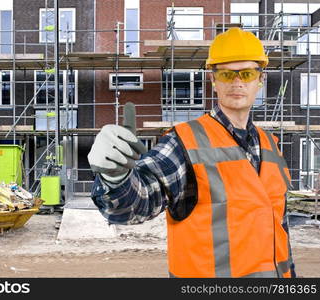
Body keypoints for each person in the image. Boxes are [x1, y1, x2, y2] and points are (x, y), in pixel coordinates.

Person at [88, 27, 295, 278]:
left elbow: (280, 229)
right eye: (227, 74)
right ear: (213, 80)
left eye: (247, 73)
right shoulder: (185, 142)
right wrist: (115, 175)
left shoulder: (271, 146)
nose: (238, 82)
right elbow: (134, 205)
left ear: (260, 80)